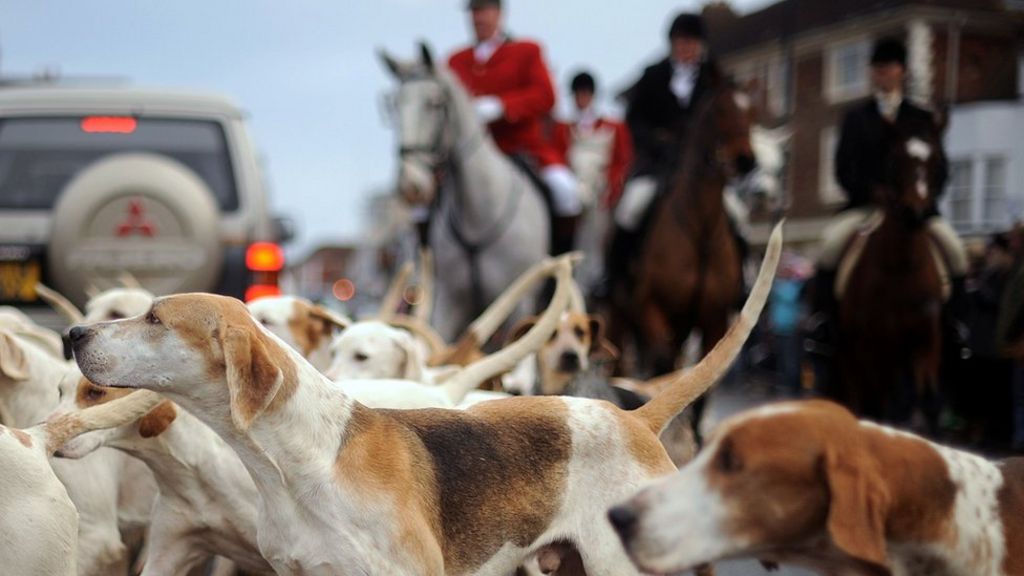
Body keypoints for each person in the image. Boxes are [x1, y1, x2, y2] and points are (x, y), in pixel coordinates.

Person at [806, 36, 969, 355]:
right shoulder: (856, 118)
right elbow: (843, 168)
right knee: (829, 246)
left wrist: (923, 200)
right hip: (866, 206)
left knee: (956, 250)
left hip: (914, 211)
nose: (883, 74)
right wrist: (870, 191)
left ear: (902, 72)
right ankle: (822, 323)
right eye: (877, 69)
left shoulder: (920, 118)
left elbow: (939, 169)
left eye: (889, 68)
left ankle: (955, 327)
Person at [602, 12, 728, 296]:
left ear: (701, 45)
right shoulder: (652, 76)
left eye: (692, 42)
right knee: (630, 209)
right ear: (671, 44)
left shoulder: (713, 79)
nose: (686, 48)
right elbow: (634, 122)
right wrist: (659, 142)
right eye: (680, 42)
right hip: (657, 165)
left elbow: (725, 121)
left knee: (736, 215)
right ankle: (614, 277)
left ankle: (739, 281)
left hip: (701, 172)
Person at [447, 0, 581, 255]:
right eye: (474, 11)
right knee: (422, 202)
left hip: (520, 148)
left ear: (499, 13)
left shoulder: (527, 51)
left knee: (566, 191)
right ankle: (425, 265)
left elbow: (546, 96)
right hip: (469, 156)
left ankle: (561, 264)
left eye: (484, 10)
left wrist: (502, 106)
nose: (479, 18)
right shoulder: (456, 61)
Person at [551, 71, 634, 210]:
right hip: (574, 184)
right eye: (577, 95)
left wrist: (612, 186)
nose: (581, 99)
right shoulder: (563, 128)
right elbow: (559, 156)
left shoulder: (614, 127)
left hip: (603, 187)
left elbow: (623, 158)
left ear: (592, 96)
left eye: (585, 94)